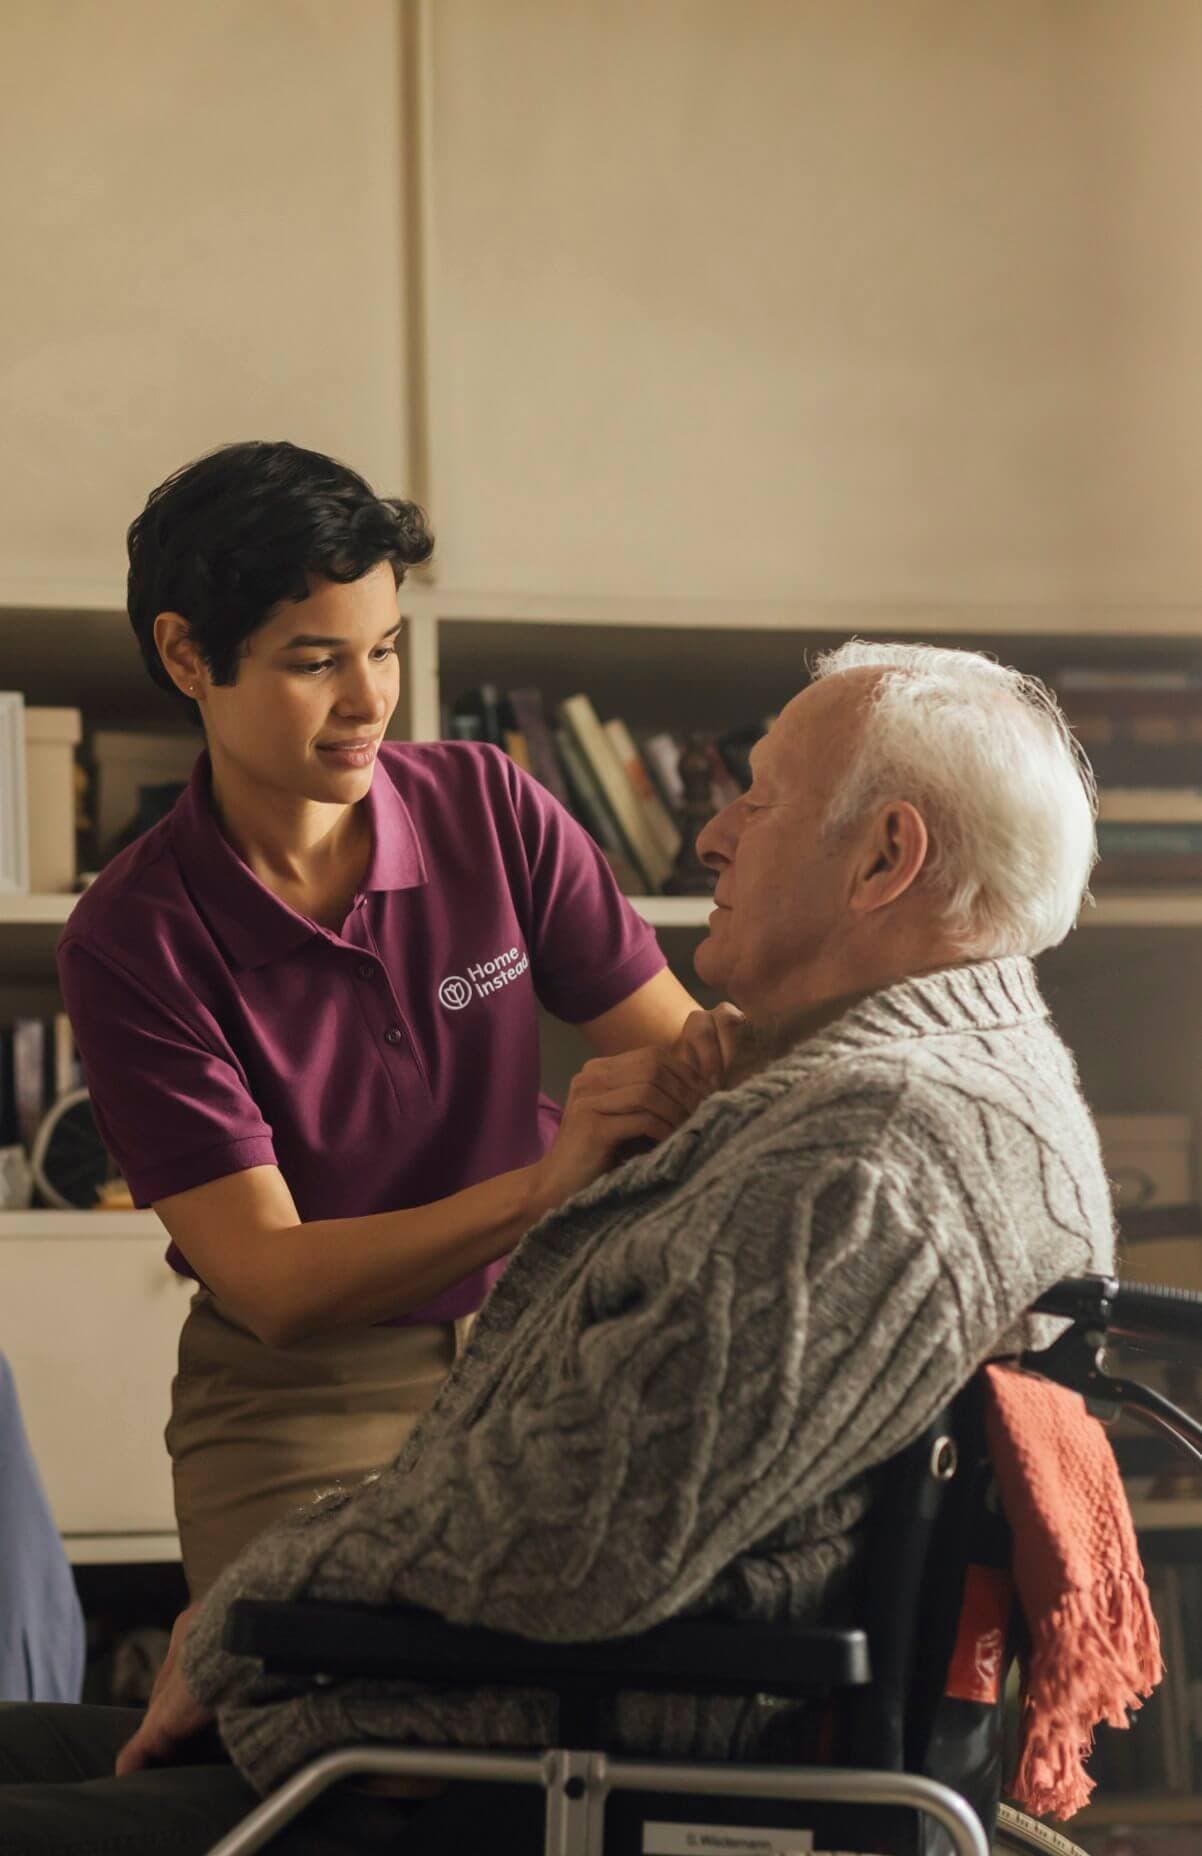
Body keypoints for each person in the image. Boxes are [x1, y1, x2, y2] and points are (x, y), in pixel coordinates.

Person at [2, 640, 1116, 1852]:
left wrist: (242, 1605)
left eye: (759, 795)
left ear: (884, 857)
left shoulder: (868, 1157)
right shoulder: (947, 1085)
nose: (709, 835)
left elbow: (575, 1542)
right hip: (501, 1704)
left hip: (509, 1766)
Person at [56, 441, 723, 1599]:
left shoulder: (489, 805)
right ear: (185, 655)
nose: (369, 700)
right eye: (316, 662)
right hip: (304, 1394)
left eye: (384, 649)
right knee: (324, 1754)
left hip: (548, 1337)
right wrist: (540, 1186)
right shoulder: (131, 938)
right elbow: (273, 1280)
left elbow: (689, 1064)